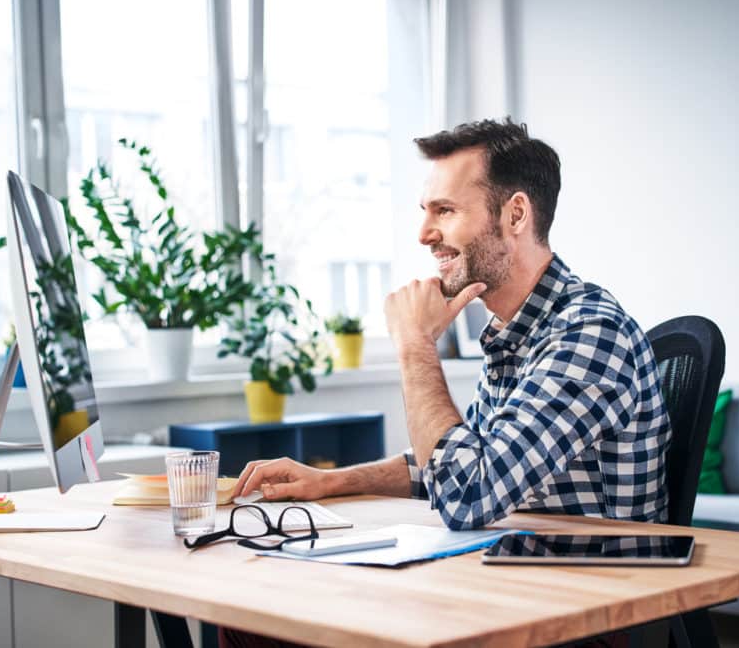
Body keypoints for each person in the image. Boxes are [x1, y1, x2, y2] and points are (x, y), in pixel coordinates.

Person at [231, 117, 672, 531]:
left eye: (444, 211)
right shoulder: (516, 334)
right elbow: (452, 468)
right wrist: (329, 482)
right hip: (522, 575)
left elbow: (467, 495)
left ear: (515, 215)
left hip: (595, 594)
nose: (424, 234)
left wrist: (415, 343)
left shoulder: (588, 335)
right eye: (426, 211)